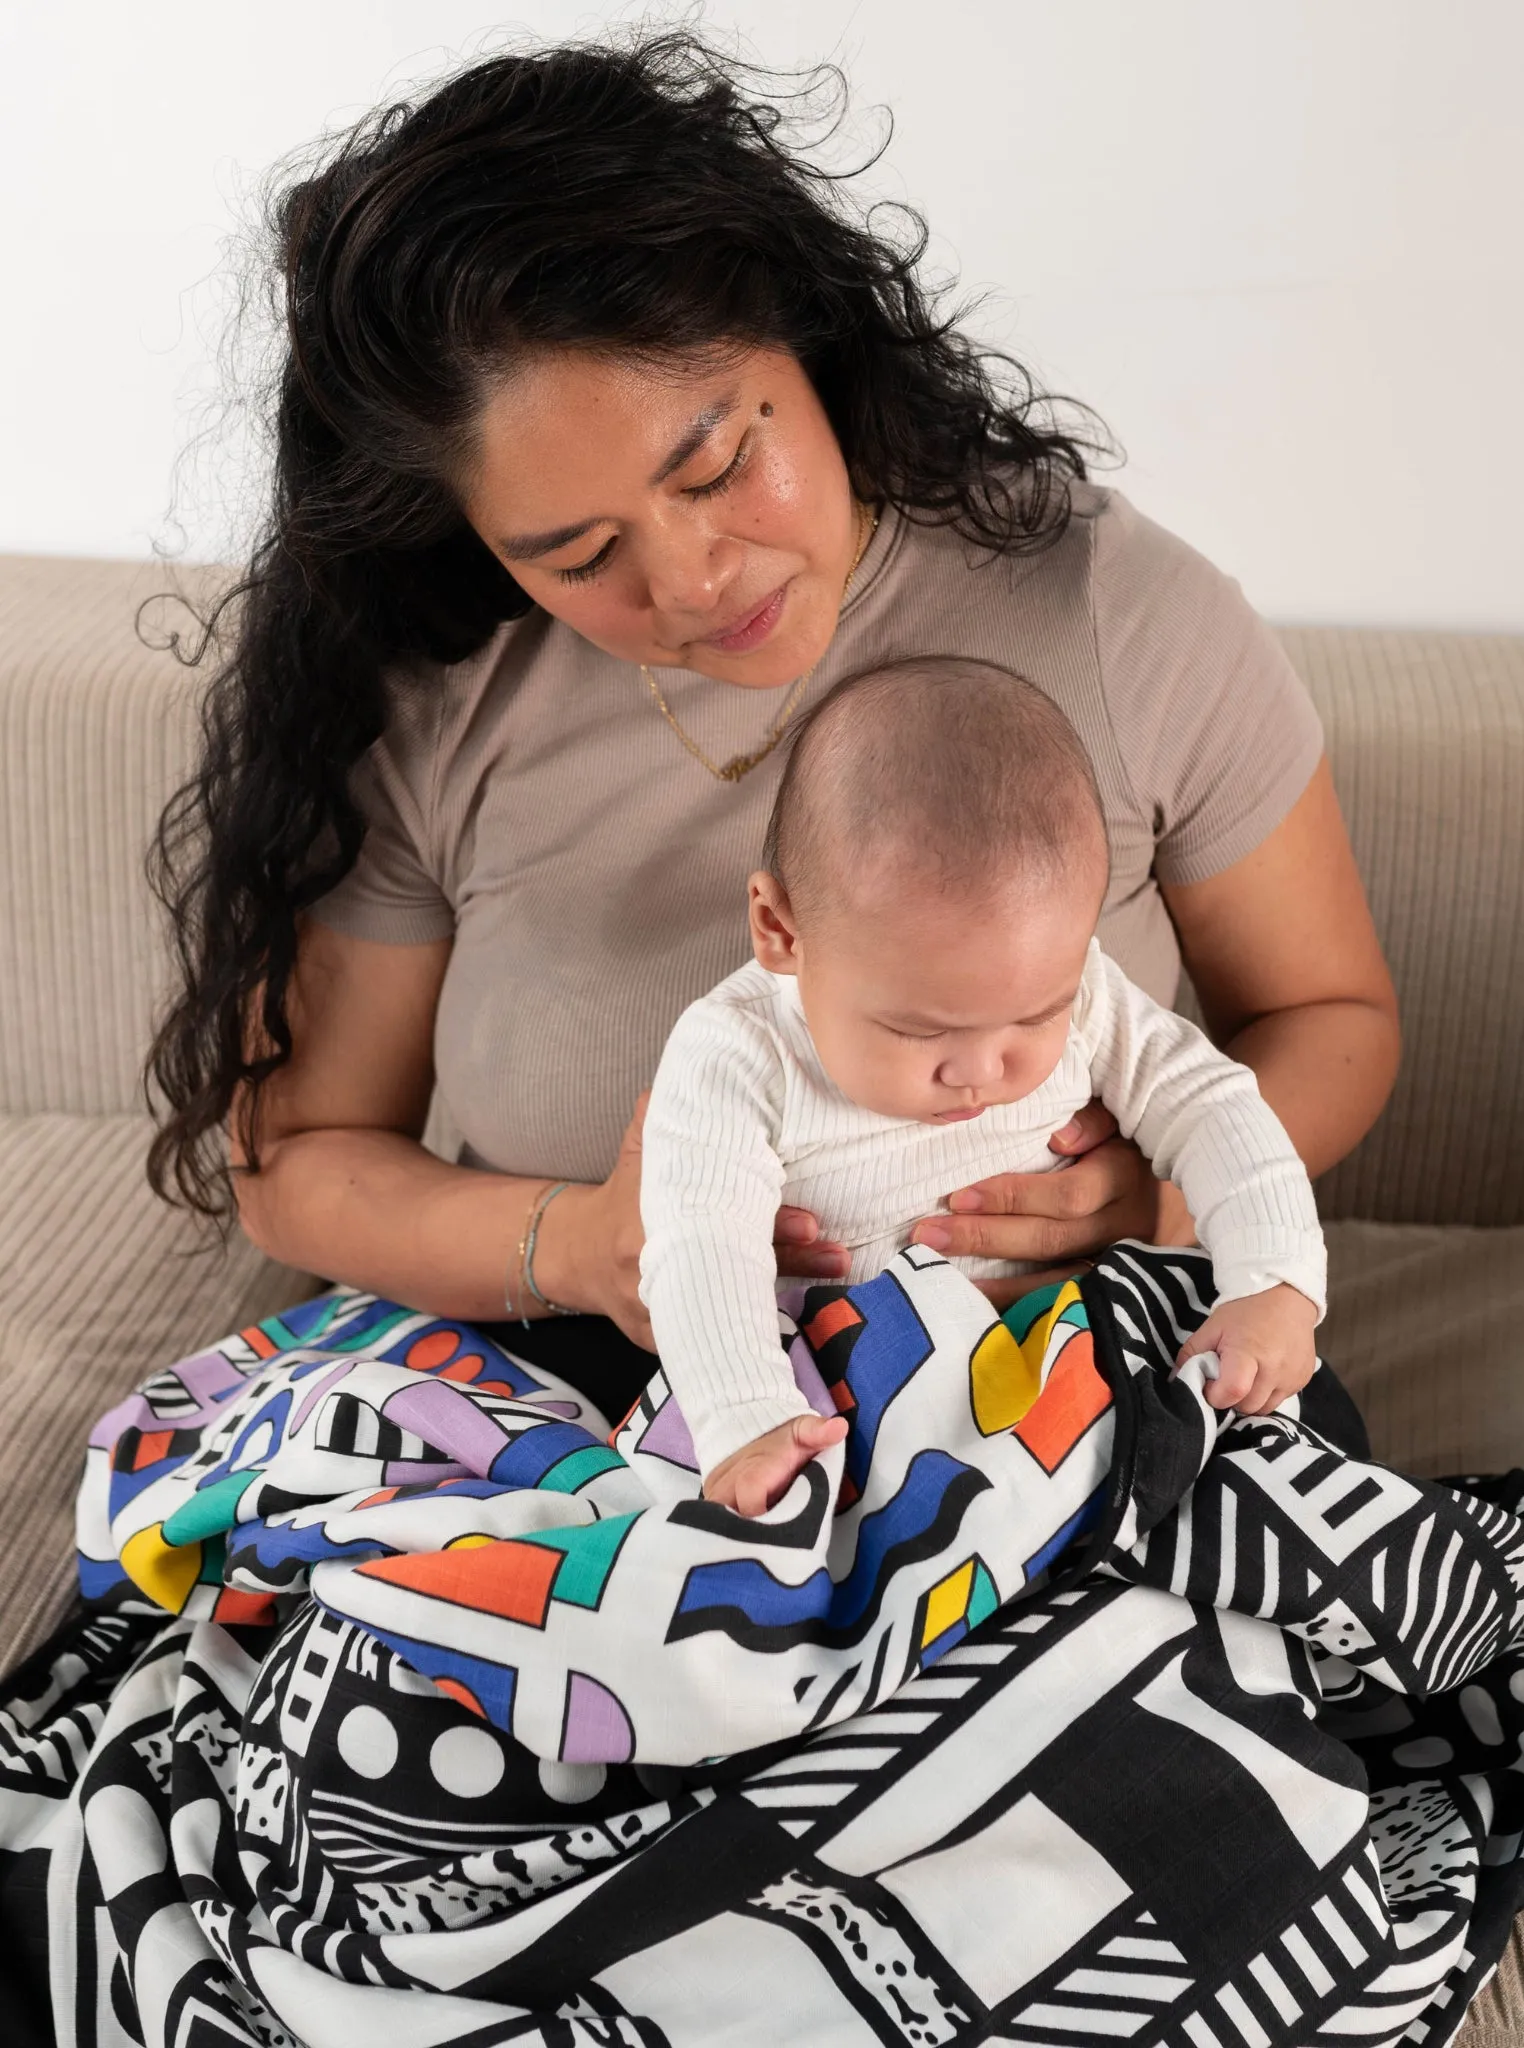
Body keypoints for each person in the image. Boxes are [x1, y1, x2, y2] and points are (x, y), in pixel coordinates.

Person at [146, 33, 1399, 1433]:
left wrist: (1150, 1199)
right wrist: (583, 1245)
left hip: (1061, 1365)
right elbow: (301, 1157)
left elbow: (1326, 1017)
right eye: (573, 555)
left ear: (804, 332)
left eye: (720, 464)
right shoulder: (435, 694)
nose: (690, 580)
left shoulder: (1110, 605)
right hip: (595, 1394)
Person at [641, 660, 1328, 1513]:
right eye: (919, 1030)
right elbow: (701, 1246)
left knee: (1283, 1449)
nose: (979, 1071)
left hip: (1087, 1358)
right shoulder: (737, 1053)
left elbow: (1212, 1102)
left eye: (1035, 1015)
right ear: (782, 931)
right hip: (849, 1409)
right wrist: (748, 1418)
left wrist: (1274, 1283)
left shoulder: (1091, 997)